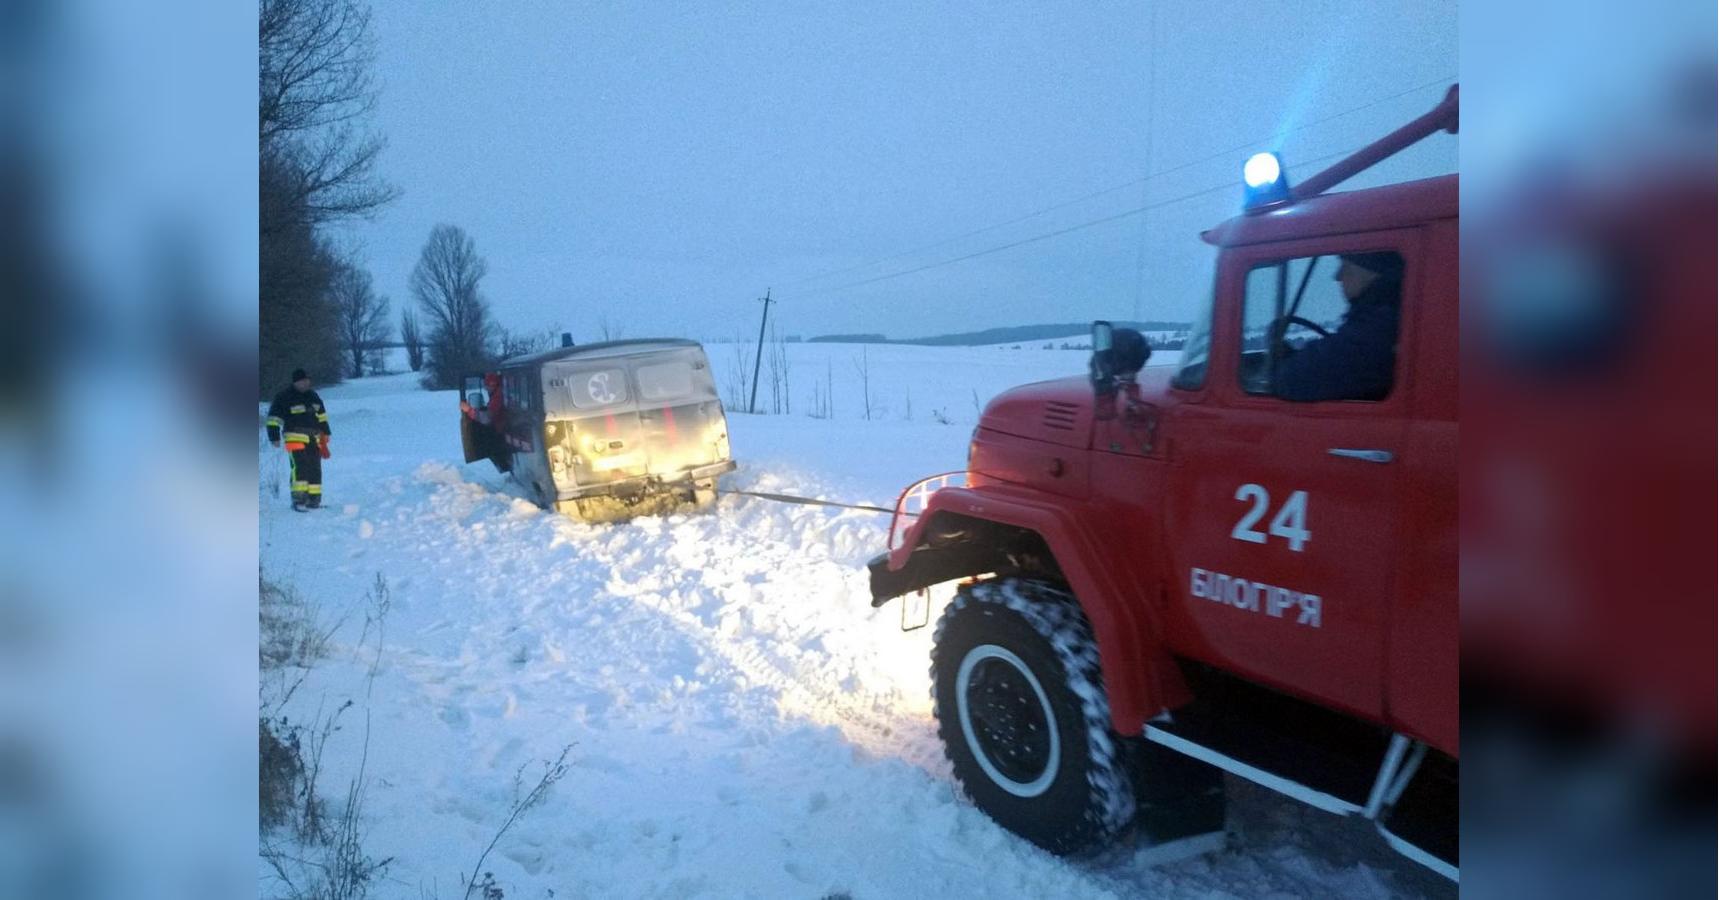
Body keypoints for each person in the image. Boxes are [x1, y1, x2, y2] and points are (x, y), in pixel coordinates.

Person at [1273, 252, 1403, 402]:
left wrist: (1283, 366)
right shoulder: (1392, 310)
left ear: (1369, 271)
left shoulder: (1381, 320)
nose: (1337, 276)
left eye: (1345, 266)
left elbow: (1296, 380)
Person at [265, 368, 332, 510]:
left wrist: (325, 433)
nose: (305, 383)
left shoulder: (314, 396)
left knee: (315, 468)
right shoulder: (284, 397)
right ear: (295, 382)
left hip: (314, 438)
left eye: (307, 381)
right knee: (300, 467)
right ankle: (299, 500)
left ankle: (314, 500)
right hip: (294, 437)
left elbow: (322, 417)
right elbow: (273, 419)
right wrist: (274, 436)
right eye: (302, 381)